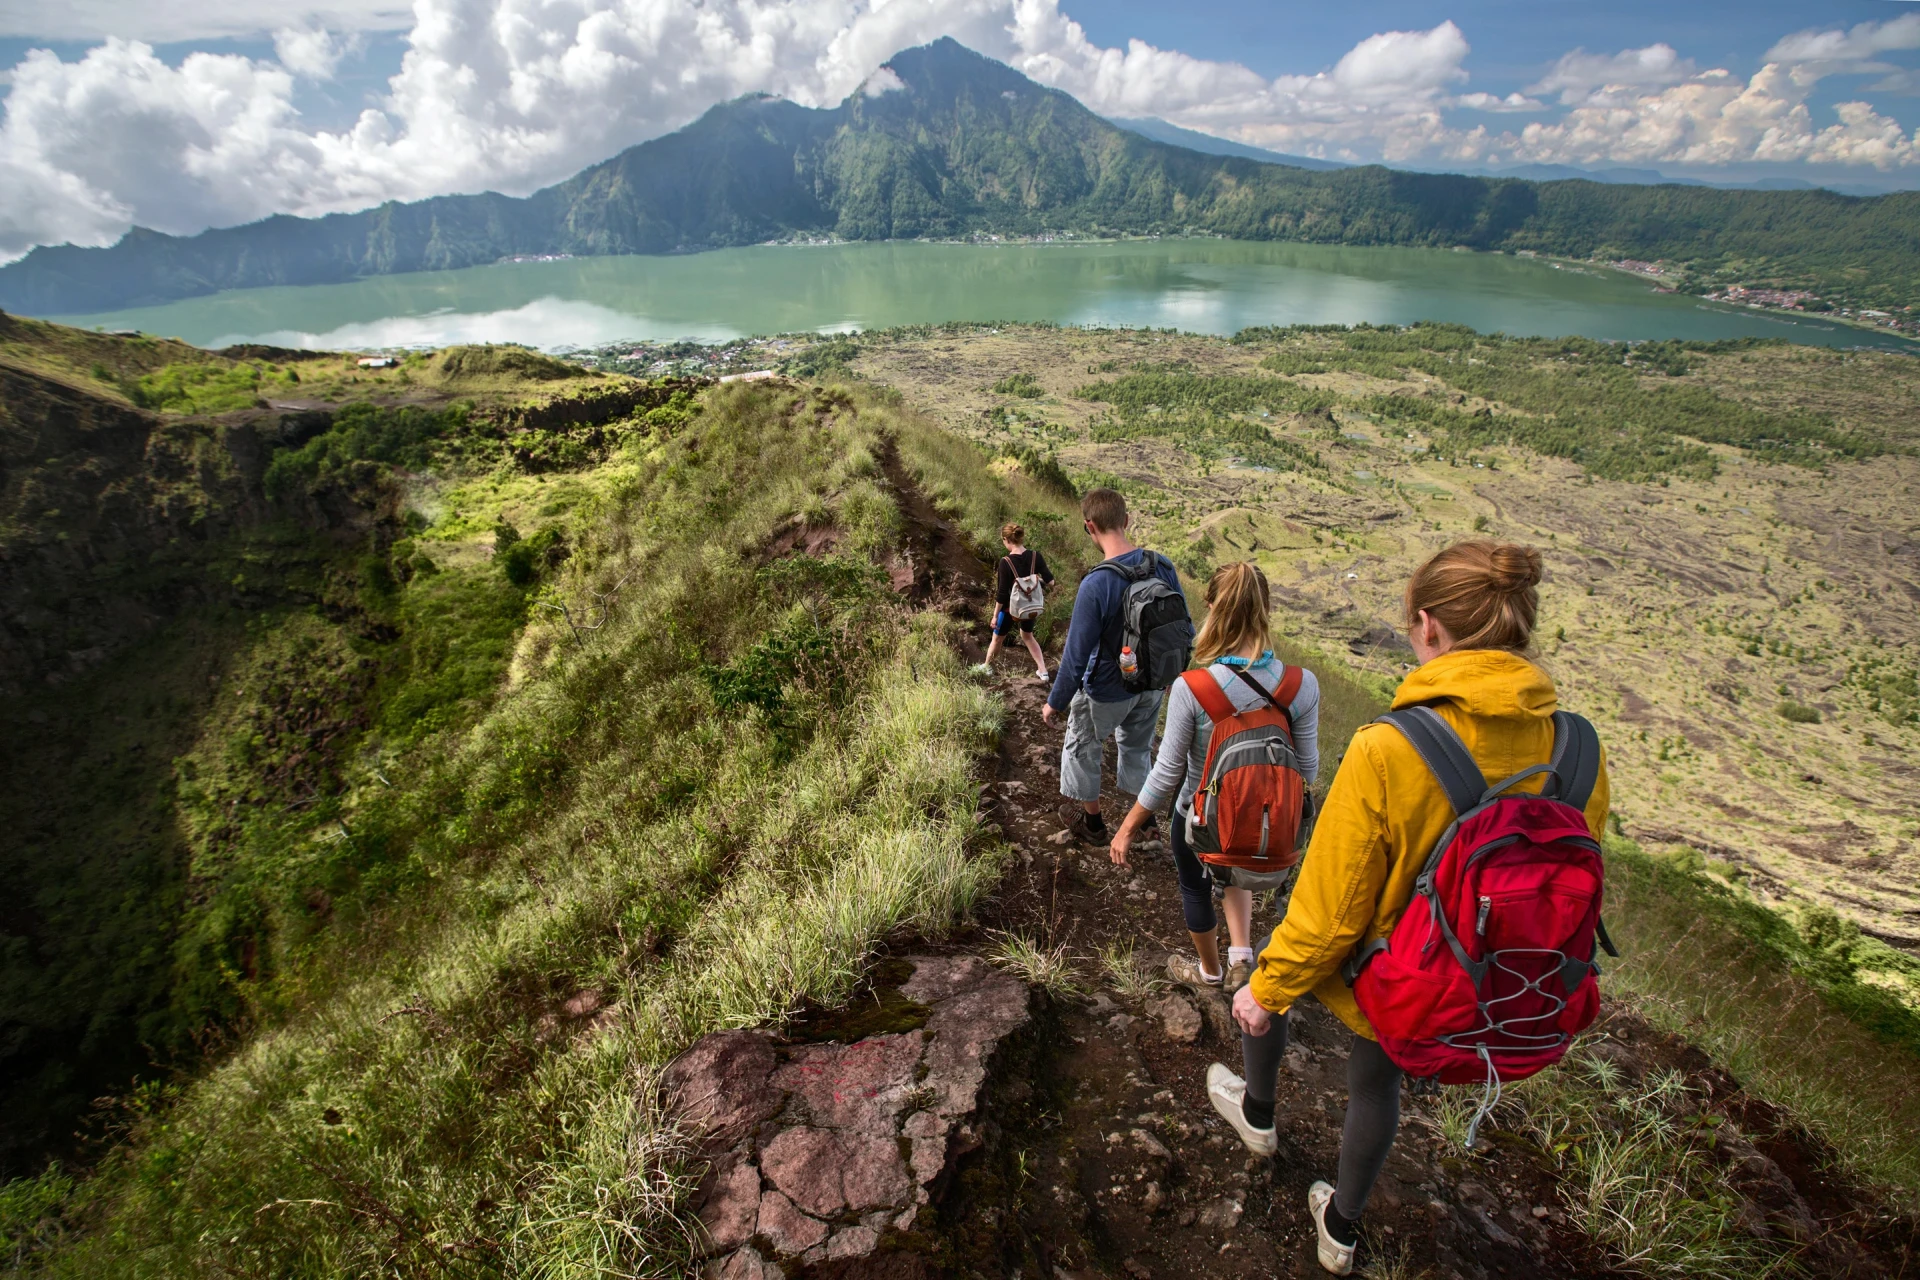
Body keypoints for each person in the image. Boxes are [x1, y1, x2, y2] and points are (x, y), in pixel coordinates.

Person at [1214, 541, 1609, 1276]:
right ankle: (1341, 1229)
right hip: (1497, 981)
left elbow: (1329, 912)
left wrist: (1265, 993)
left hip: (1396, 975)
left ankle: (1259, 1113)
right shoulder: (1578, 747)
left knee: (1274, 967)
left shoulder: (1390, 748)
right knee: (1377, 1081)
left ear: (1429, 628)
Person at [1107, 562, 1320, 994]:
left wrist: (1127, 828)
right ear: (1266, 609)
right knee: (1236, 860)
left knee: (1196, 886)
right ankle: (1242, 954)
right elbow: (1309, 770)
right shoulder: (1302, 685)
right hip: (1264, 823)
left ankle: (1210, 972)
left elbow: (1167, 772)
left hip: (1197, 819)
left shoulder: (1194, 686)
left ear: (1210, 607)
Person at [1044, 488, 1185, 845]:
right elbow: (1185, 630)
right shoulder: (1162, 565)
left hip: (1108, 690)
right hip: (1153, 686)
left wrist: (1055, 701)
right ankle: (1145, 822)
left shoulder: (1097, 583)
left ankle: (1092, 824)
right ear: (1126, 520)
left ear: (1089, 526)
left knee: (1083, 745)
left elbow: (1076, 656)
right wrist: (1172, 675)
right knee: (1137, 749)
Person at [978, 522, 1054, 681]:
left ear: (1006, 539)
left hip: (1009, 610)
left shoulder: (1005, 562)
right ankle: (1043, 670)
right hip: (1030, 607)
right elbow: (1051, 582)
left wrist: (994, 615)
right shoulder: (1035, 556)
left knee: (997, 638)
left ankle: (986, 666)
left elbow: (1002, 593)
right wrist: (1036, 580)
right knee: (1028, 636)